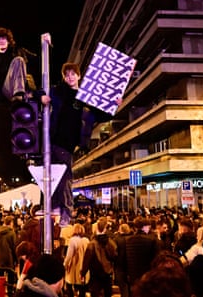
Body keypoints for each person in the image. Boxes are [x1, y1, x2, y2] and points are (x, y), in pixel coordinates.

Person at [40, 62, 119, 227]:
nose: (70, 77)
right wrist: (41, 97)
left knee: (64, 177)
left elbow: (100, 114)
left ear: (79, 75)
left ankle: (66, 212)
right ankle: (52, 207)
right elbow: (41, 93)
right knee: (48, 176)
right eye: (67, 74)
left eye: (72, 74)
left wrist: (114, 105)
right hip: (51, 139)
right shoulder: (59, 91)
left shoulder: (86, 98)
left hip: (67, 143)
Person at [0, 27, 36, 104]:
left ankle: (19, 93)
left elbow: (38, 59)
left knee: (18, 60)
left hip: (21, 90)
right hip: (5, 91)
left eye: (3, 38)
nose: (1, 41)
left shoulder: (18, 51)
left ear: (8, 41)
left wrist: (46, 44)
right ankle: (18, 95)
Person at [81, 217, 117, 297]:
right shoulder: (110, 243)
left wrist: (83, 272)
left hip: (95, 272)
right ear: (105, 229)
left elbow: (87, 260)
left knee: (95, 293)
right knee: (108, 293)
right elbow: (114, 256)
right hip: (107, 271)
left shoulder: (92, 244)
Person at [125, 217, 160, 286]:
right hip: (148, 274)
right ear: (144, 227)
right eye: (148, 227)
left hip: (133, 274)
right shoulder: (152, 240)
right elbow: (157, 258)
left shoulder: (128, 240)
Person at [0, 215, 17, 297]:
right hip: (9, 259)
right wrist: (16, 260)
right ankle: (10, 292)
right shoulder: (12, 233)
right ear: (11, 223)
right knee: (11, 277)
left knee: (0, 277)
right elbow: (14, 247)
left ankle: (0, 293)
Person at [63, 223, 89, 297]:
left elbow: (69, 256)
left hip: (74, 266)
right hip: (83, 265)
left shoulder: (72, 240)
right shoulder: (86, 240)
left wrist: (65, 264)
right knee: (82, 286)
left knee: (69, 284)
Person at [113, 223, 132, 297]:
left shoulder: (116, 239)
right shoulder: (132, 238)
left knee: (123, 288)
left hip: (120, 266)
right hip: (131, 265)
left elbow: (114, 253)